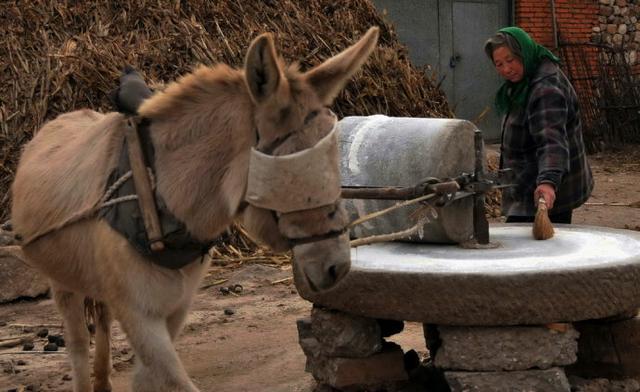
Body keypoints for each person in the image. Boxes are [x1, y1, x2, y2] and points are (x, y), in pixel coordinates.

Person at [484, 26, 593, 224]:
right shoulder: (523, 82)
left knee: (534, 249)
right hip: (527, 180)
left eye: (510, 60)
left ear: (523, 52)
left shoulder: (545, 90)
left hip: (545, 188)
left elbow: (551, 141)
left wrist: (548, 182)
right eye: (498, 64)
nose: (506, 69)